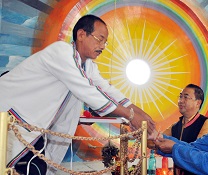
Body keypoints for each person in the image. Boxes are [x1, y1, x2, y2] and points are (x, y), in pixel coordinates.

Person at [0, 15, 155, 175]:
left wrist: (144, 117)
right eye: (99, 39)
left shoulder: (88, 66)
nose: (102, 46)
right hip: (10, 118)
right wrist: (131, 116)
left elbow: (109, 91)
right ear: (81, 35)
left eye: (105, 42)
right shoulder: (61, 51)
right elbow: (90, 93)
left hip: (28, 129)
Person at [163, 84, 208, 175]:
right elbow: (159, 140)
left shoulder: (206, 123)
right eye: (180, 97)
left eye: (186, 97)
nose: (180, 101)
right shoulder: (175, 126)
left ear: (198, 103)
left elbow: (198, 153)